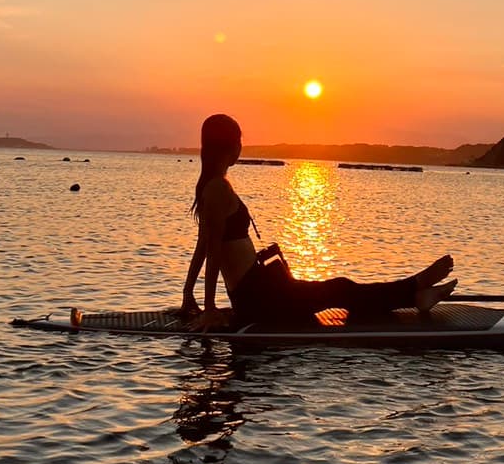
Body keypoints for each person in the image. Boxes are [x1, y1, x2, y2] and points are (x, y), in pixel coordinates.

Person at [180, 113, 457, 332]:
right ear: (231, 145)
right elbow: (212, 251)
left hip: (262, 291)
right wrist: (209, 309)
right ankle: (415, 290)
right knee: (340, 289)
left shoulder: (213, 186)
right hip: (259, 299)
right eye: (240, 140)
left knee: (339, 290)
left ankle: (414, 291)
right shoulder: (217, 188)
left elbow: (203, 246)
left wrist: (188, 294)